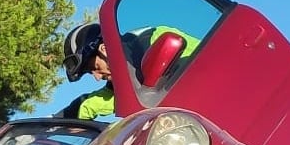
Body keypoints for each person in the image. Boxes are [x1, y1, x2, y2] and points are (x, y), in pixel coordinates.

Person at [57, 21, 199, 120]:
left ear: (104, 50)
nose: (97, 77)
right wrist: (53, 121)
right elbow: (89, 105)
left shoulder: (152, 41)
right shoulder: (124, 80)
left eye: (94, 68)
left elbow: (194, 69)